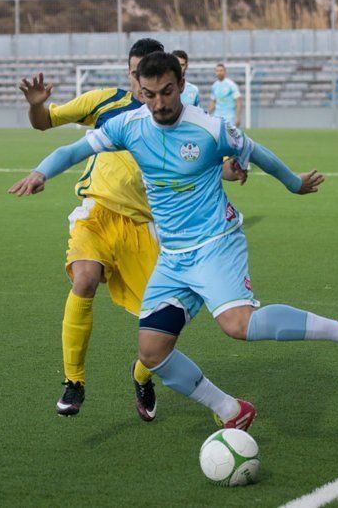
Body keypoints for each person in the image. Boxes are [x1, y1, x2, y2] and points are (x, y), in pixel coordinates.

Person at [9, 52, 338, 430]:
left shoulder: (210, 128)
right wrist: (41, 172)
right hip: (173, 255)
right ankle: (231, 410)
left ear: (180, 85)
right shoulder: (129, 125)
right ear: (139, 91)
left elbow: (256, 152)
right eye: (149, 94)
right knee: (152, 353)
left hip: (215, 242)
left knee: (237, 324)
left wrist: (293, 183)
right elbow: (72, 149)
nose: (159, 103)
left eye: (166, 91)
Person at [18, 39, 248, 419]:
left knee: (161, 330)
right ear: (131, 75)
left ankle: (142, 376)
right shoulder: (105, 102)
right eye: (136, 74)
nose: (144, 86)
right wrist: (36, 105)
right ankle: (73, 381)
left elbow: (207, 164)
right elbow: (45, 123)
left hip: (145, 228)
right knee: (85, 279)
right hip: (98, 213)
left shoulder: (181, 116)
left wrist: (230, 169)